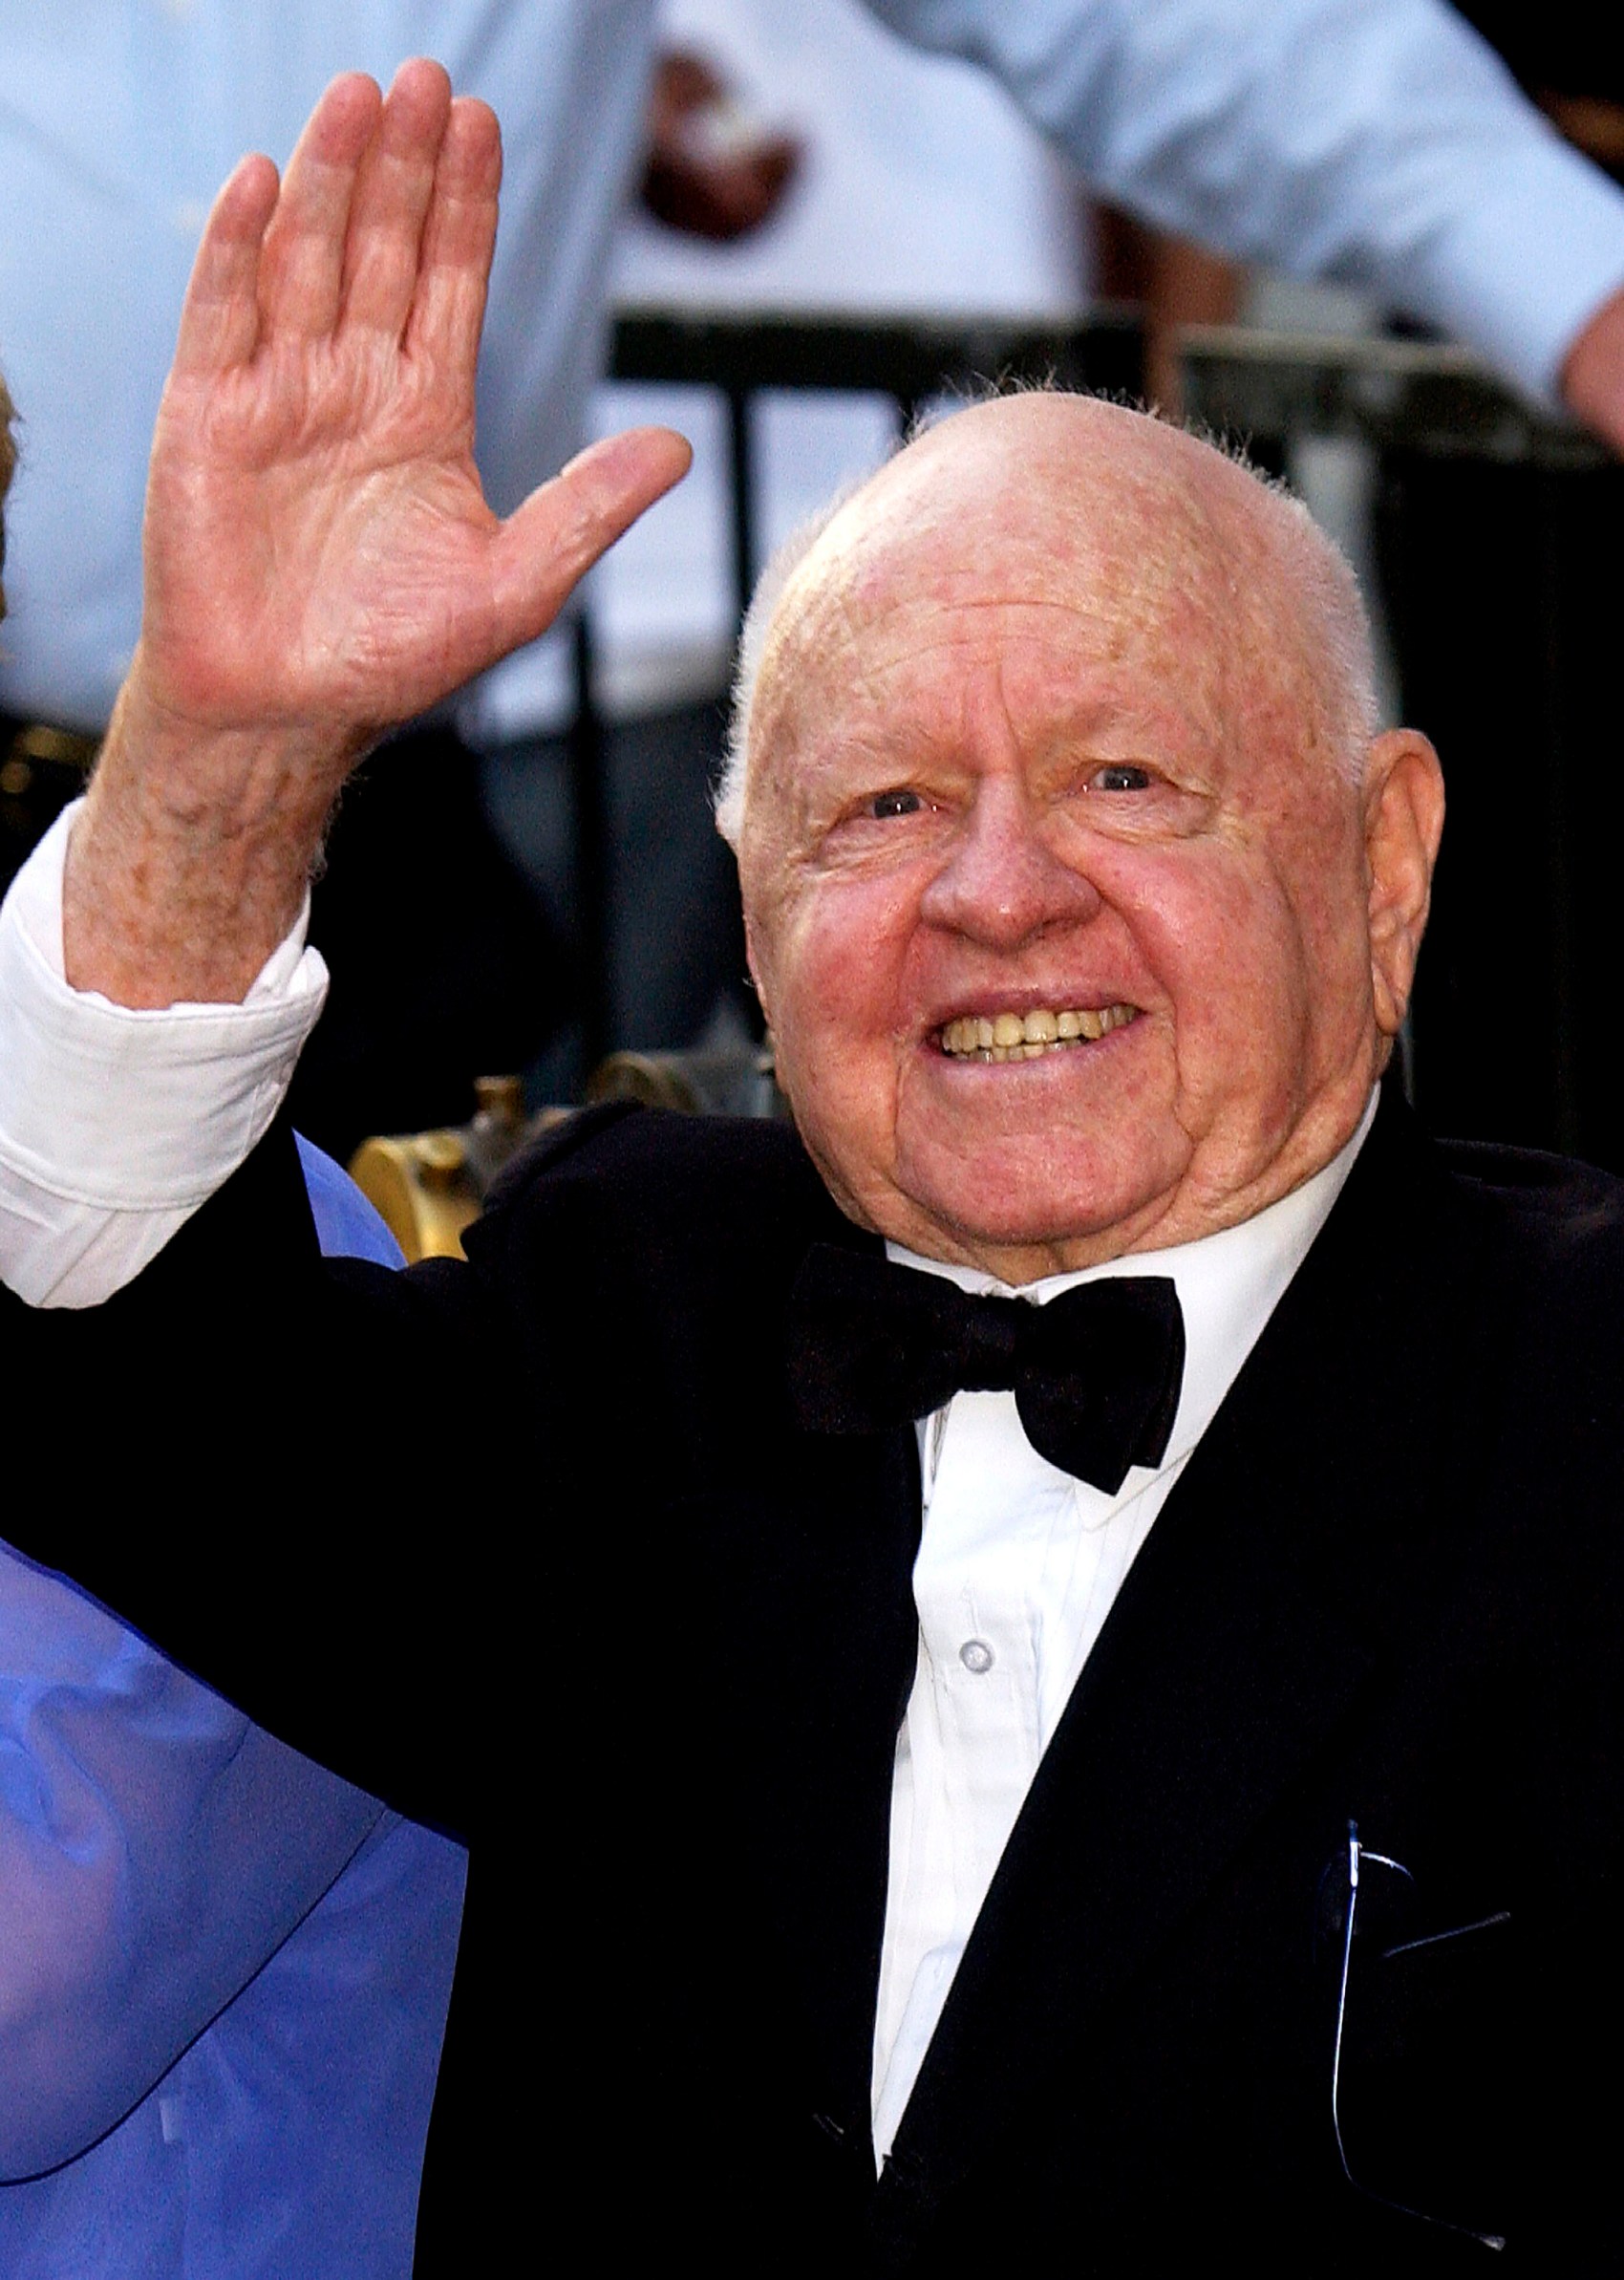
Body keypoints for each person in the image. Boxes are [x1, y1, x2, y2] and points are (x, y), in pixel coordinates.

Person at [4, 57, 1622, 2270]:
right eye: (877, 809)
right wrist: (226, 762)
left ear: (1382, 862)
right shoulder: (622, 1317)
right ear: (748, 903)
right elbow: (108, 1367)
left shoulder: (1580, 1393)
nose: (994, 891)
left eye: (1127, 774)